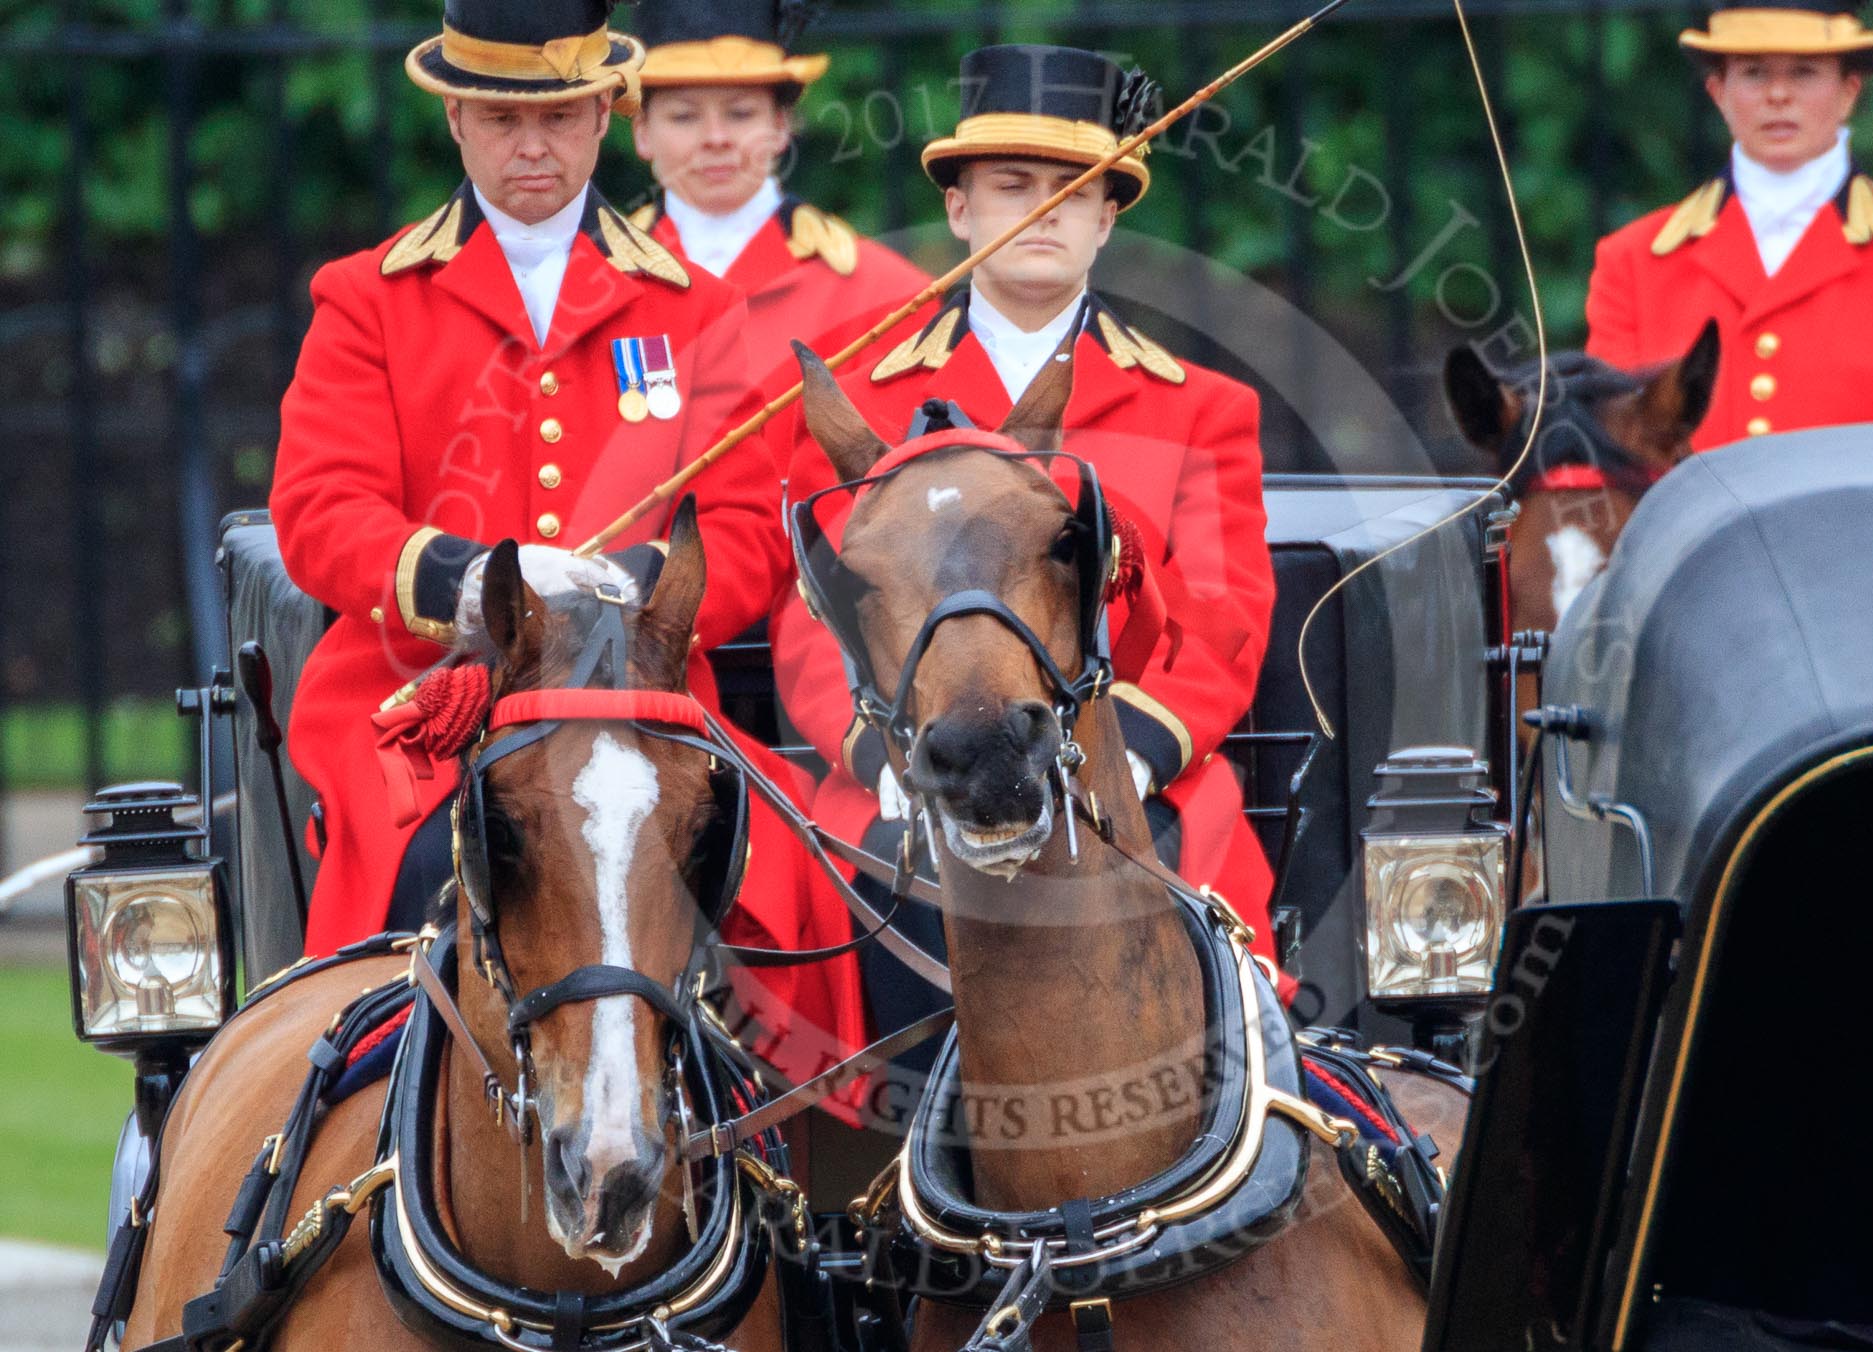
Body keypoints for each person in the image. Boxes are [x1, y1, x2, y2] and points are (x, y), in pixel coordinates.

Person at [269, 0, 861, 1075]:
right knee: (431, 872)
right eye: (500, 120)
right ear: (454, 118)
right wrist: (477, 579)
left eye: (559, 117)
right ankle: (389, 1128)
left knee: (789, 883)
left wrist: (633, 581)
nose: (531, 147)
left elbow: (741, 528)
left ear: (604, 115)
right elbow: (320, 513)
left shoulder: (698, 310)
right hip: (429, 699)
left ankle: (789, 1168)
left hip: (636, 699)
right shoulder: (367, 299)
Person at [771, 44, 1281, 1055]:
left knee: (1202, 944)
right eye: (1012, 186)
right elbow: (815, 613)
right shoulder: (860, 395)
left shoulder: (1204, 406)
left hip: (1137, 774)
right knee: (866, 912)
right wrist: (879, 751)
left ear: (1108, 217)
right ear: (959, 210)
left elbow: (1224, 615)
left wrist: (1131, 750)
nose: (1044, 212)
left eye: (1075, 191)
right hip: (916, 769)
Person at [1585, 0, 1873, 448]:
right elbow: (1614, 463)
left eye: (1804, 72)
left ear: (1850, 90)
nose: (1778, 95)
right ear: (1717, 92)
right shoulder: (1631, 262)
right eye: (1754, 73)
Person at [626, 0, 929, 469]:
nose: (716, 138)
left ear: (782, 125)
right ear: (641, 132)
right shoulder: (589, 282)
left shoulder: (886, 296)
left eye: (741, 113)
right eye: (684, 116)